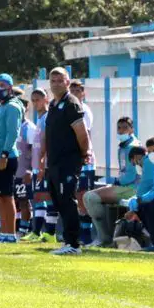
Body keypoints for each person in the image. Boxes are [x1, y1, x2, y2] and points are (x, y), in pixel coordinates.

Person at [39, 67, 93, 255]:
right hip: (54, 162)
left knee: (67, 200)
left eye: (60, 80)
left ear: (67, 82)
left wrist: (85, 153)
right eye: (53, 81)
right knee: (58, 200)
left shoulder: (71, 103)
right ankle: (67, 241)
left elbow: (81, 132)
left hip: (68, 161)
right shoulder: (53, 104)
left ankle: (74, 244)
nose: (56, 84)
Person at [83, 116, 141, 246]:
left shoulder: (133, 147)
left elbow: (131, 175)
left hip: (132, 188)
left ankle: (104, 238)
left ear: (132, 129)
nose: (121, 131)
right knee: (89, 196)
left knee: (90, 197)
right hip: (127, 186)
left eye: (125, 128)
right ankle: (105, 238)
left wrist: (114, 181)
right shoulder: (124, 146)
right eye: (119, 128)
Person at [0, 73, 24, 243]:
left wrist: (4, 155)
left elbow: (12, 133)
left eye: (2, 85)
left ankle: (10, 234)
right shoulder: (1, 106)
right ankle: (3, 232)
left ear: (9, 87)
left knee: (7, 196)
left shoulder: (12, 107)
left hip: (6, 157)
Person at [21, 88, 58, 242]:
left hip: (46, 165)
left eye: (39, 99)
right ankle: (37, 232)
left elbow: (49, 143)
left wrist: (43, 165)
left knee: (47, 196)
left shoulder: (49, 117)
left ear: (46, 99)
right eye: (34, 100)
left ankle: (50, 233)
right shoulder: (40, 118)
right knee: (38, 197)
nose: (36, 103)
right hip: (37, 165)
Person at [69, 79, 96, 246]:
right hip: (73, 158)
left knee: (83, 195)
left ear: (83, 92)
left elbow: (83, 134)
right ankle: (79, 230)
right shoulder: (70, 107)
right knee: (75, 194)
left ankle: (86, 232)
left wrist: (83, 154)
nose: (74, 93)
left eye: (78, 90)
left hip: (84, 159)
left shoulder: (83, 110)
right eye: (72, 90)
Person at [13, 89, 35, 237]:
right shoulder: (10, 126)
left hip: (23, 172)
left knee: (23, 202)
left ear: (26, 108)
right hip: (10, 171)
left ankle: (24, 230)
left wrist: (31, 170)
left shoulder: (29, 128)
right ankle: (13, 228)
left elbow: (36, 151)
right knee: (12, 202)